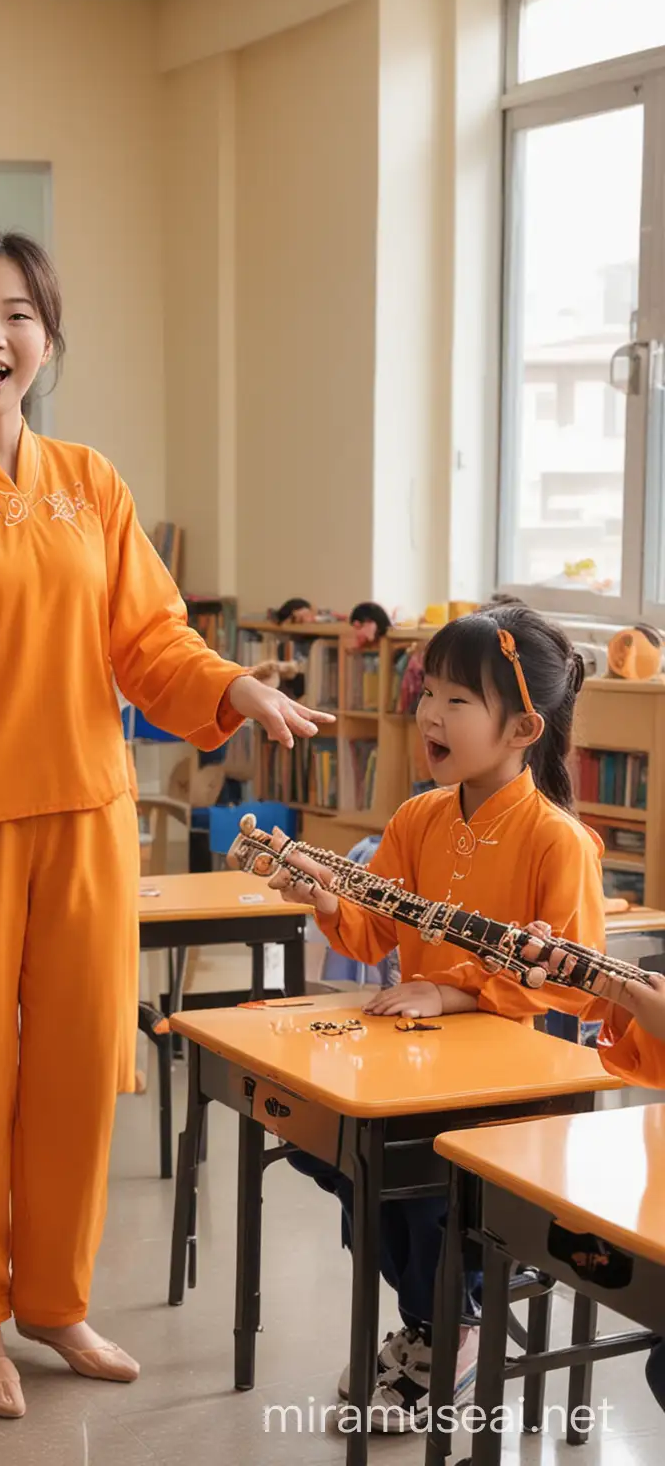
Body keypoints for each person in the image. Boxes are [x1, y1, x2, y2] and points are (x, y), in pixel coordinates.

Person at [0, 229, 328, 1419]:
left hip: (90, 819)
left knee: (75, 1071)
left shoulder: (92, 484)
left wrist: (232, 688)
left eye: (15, 314)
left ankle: (54, 1299)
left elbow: (150, 641)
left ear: (47, 340)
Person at [270, 602, 606, 1431]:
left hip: (513, 1082)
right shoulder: (420, 815)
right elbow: (372, 930)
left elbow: (577, 985)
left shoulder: (558, 840)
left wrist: (457, 991)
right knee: (334, 1151)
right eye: (430, 692)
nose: (430, 712)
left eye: (458, 699)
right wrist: (322, 895)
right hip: (415, 1065)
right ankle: (436, 1316)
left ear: (524, 726)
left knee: (417, 1186)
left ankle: (450, 1327)